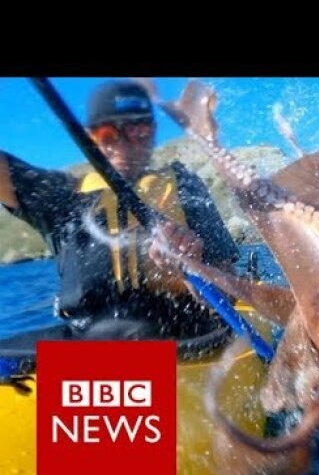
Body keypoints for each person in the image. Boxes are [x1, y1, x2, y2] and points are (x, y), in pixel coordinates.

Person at [0, 80, 239, 340]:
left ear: (153, 132)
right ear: (91, 138)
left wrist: (192, 268)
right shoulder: (61, 196)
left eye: (139, 131)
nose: (125, 145)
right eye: (109, 135)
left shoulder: (184, 186)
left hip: (182, 339)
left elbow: (231, 293)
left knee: (130, 330)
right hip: (88, 344)